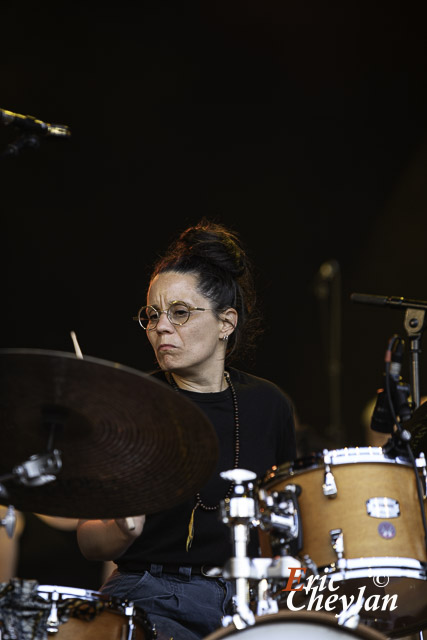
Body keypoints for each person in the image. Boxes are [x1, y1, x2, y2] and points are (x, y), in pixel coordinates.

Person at [77, 220, 297, 640]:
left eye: (180, 313)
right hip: (148, 594)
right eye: (152, 315)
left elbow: (285, 530)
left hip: (246, 601)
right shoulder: (129, 402)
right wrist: (121, 530)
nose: (161, 327)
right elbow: (89, 541)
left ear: (225, 323)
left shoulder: (270, 406)